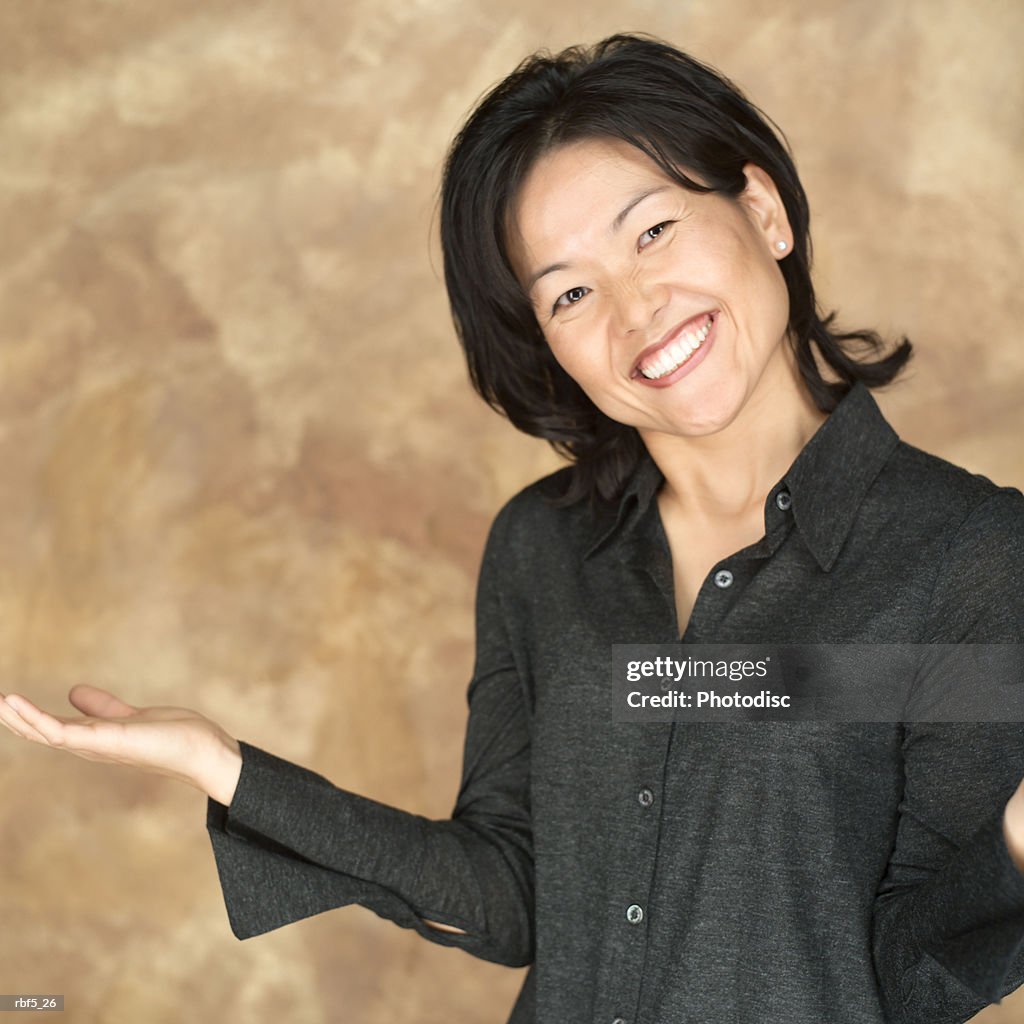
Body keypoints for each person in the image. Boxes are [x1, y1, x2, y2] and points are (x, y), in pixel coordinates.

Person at [2, 32, 1024, 1024]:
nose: (636, 309)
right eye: (571, 291)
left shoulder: (969, 559)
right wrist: (222, 765)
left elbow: (898, 978)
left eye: (653, 231)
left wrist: (1015, 847)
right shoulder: (543, 550)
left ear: (761, 211)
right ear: (546, 348)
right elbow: (515, 891)